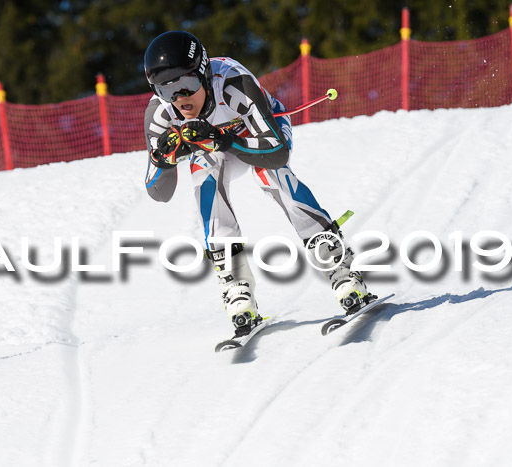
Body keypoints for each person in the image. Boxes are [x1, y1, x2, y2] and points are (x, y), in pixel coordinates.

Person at [142, 30, 373, 337]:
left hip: (260, 134)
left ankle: (339, 268)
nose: (179, 99)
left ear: (204, 73)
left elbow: (277, 153)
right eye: (165, 89)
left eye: (186, 84)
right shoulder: (160, 112)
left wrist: (223, 140)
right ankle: (236, 285)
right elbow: (158, 191)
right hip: (220, 146)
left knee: (272, 175)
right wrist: (167, 158)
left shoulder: (232, 83)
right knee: (204, 175)